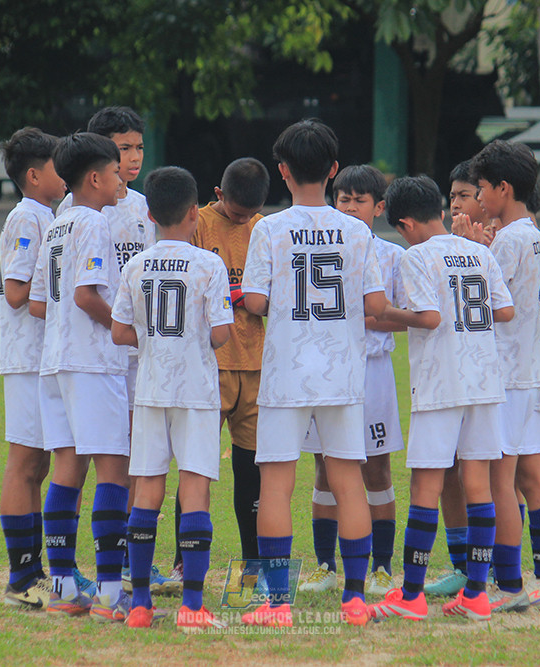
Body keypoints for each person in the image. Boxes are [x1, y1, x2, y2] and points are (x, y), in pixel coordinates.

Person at [240, 119, 388, 628]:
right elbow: (375, 303)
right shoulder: (356, 230)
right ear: (333, 170)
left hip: (286, 372)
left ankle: (277, 604)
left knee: (276, 484)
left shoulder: (268, 228)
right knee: (348, 481)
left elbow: (254, 301)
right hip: (342, 372)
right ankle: (355, 600)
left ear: (282, 171)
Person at [366, 176, 513, 623]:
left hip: (440, 383)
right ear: (440, 211)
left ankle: (411, 595)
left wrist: (382, 312)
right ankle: (476, 594)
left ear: (405, 224)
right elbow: (505, 310)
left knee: (426, 486)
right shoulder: (478, 252)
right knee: (478, 485)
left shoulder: (416, 256)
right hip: (484, 380)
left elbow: (429, 318)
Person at [57, 106, 178, 594]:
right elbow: (80, 291)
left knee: (134, 455)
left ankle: (129, 558)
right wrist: (123, 327)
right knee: (95, 458)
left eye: (138, 147)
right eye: (122, 149)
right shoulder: (80, 212)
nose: (133, 157)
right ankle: (90, 568)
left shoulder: (146, 208)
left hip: (134, 352)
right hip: (103, 348)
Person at [111, 166, 234, 631]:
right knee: (195, 488)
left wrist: (151, 339)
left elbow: (119, 331)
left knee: (147, 488)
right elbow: (221, 334)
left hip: (150, 388)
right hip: (196, 391)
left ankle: (141, 605)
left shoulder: (136, 265)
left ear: (149, 214)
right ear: (193, 213)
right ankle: (193, 605)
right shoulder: (209, 265)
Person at [28, 132, 133, 620]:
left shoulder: (57, 224)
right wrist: (125, 328)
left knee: (67, 469)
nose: (120, 180)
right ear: (94, 178)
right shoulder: (93, 222)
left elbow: (40, 302)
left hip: (54, 361)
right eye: (114, 172)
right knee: (114, 469)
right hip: (90, 363)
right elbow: (86, 295)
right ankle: (111, 593)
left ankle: (63, 588)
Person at [297, 164, 405, 597]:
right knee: (325, 466)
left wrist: (368, 318)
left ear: (378, 207)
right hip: (327, 371)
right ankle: (325, 565)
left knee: (376, 467)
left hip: (372, 372)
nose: (350, 207)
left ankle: (381, 567)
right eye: (343, 199)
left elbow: (406, 316)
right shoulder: (321, 249)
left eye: (360, 200)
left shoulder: (393, 256)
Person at [466, 140, 540, 612]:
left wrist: (472, 249)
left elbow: (484, 301)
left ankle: (509, 584)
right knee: (532, 473)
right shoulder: (533, 234)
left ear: (504, 188)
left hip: (510, 374)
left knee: (501, 479)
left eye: (482, 188)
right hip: (537, 370)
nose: (479, 197)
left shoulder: (508, 240)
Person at [188, 157, 270, 566]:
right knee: (198, 465)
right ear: (219, 194)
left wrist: (247, 297)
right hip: (212, 363)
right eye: (236, 214)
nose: (242, 221)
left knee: (250, 470)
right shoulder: (198, 224)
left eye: (249, 214)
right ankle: (185, 561)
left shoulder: (263, 228)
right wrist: (238, 295)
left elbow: (274, 292)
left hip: (256, 363)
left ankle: (251, 563)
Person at [0, 127, 63, 610]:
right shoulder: (26, 217)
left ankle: (34, 571)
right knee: (24, 463)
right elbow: (17, 292)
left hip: (45, 356)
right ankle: (21, 578)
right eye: (59, 167)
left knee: (39, 464)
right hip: (26, 357)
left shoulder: (48, 214)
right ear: (35, 175)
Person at [421, 160, 494, 598]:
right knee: (448, 471)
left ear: (485, 198)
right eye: (452, 197)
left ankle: (495, 568)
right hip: (450, 373)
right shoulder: (447, 249)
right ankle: (461, 565)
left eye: (465, 196)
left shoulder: (494, 244)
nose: (456, 205)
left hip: (485, 378)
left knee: (486, 475)